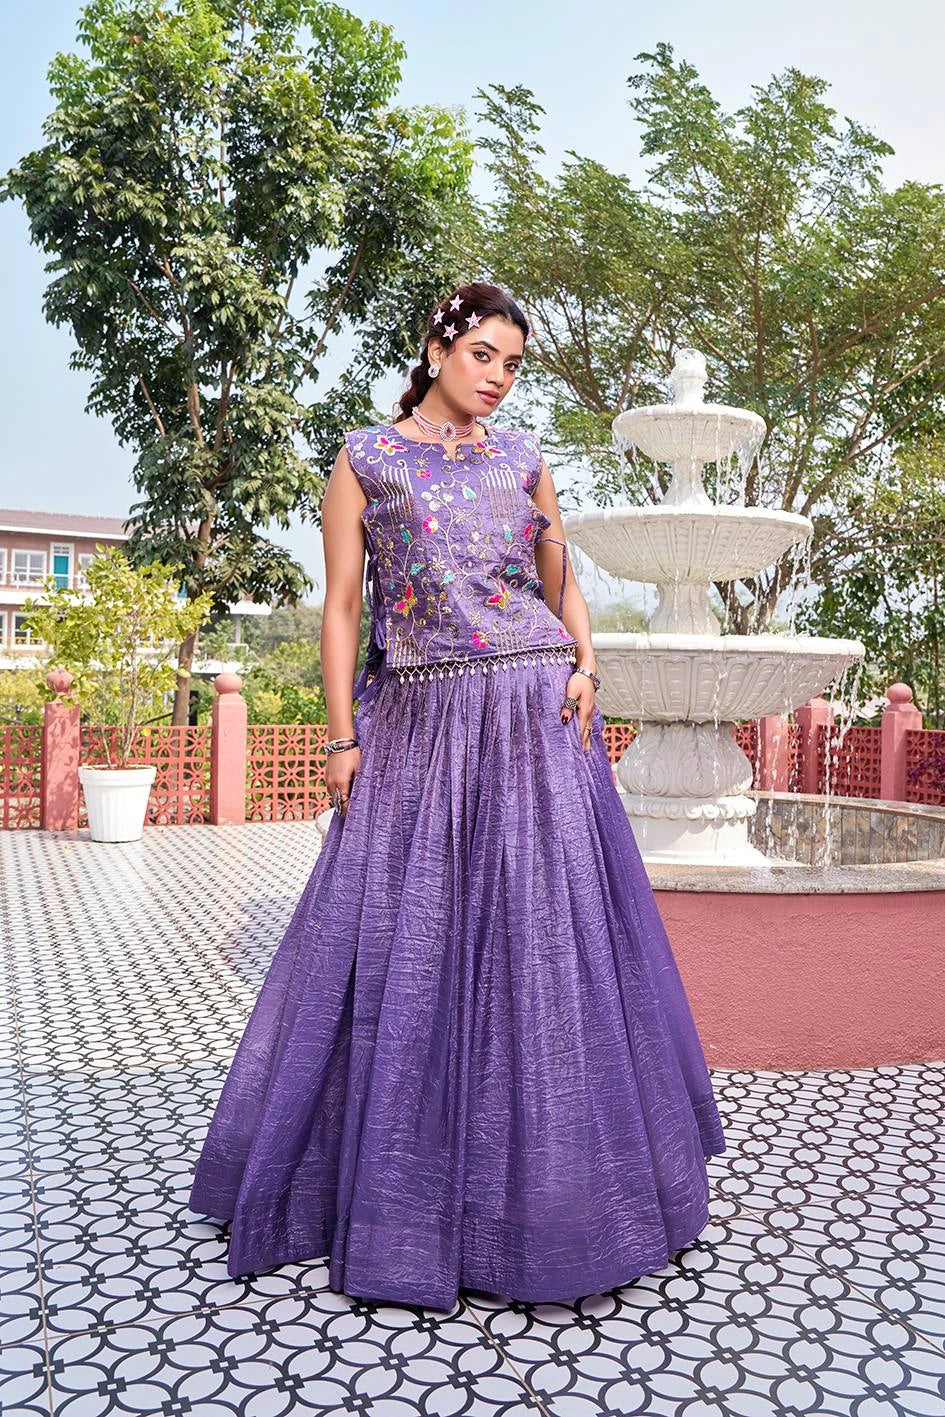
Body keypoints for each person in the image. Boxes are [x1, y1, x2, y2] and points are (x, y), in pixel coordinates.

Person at [188, 281, 727, 1311]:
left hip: (536, 719)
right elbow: (341, 609)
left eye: (512, 362)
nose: (498, 376)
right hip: (423, 725)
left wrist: (586, 663)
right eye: (483, 353)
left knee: (547, 950)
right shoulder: (366, 460)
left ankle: (567, 1195)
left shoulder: (524, 460)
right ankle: (397, 1195)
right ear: (435, 347)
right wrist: (342, 733)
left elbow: (558, 576)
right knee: (406, 941)